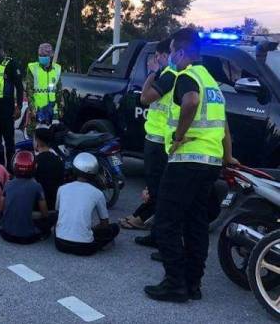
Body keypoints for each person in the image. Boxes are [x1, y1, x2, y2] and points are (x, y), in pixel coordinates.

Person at [144, 28, 237, 303]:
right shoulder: (212, 83)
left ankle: (174, 283)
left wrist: (179, 136)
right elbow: (224, 126)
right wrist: (228, 156)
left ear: (181, 52)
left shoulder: (187, 76)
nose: (171, 57)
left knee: (166, 221)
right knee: (196, 223)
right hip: (210, 161)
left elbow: (190, 102)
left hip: (187, 159)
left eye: (173, 52)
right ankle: (193, 283)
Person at [120, 39, 175, 234]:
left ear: (164, 55)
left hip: (159, 139)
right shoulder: (174, 75)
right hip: (162, 138)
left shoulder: (168, 75)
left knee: (156, 185)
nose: (157, 60)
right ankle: (145, 219)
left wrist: (152, 71)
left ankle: (143, 219)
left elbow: (144, 98)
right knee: (157, 184)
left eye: (158, 57)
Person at [55, 153, 120, 256]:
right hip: (84, 248)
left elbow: (58, 214)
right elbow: (104, 224)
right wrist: (91, 229)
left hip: (60, 243)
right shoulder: (97, 193)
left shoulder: (62, 188)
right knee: (115, 227)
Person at [0, 151, 55, 244]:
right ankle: (43, 234)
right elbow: (44, 213)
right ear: (34, 167)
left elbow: (1, 209)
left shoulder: (8, 184)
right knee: (54, 215)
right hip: (27, 237)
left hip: (6, 233)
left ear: (14, 166)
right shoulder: (37, 186)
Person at [25, 43, 64, 135]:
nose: (42, 57)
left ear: (50, 56)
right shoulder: (33, 68)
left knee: (50, 136)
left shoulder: (57, 69)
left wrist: (61, 108)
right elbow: (29, 90)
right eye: (40, 55)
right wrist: (32, 109)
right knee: (34, 135)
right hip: (38, 110)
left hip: (52, 111)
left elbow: (59, 91)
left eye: (45, 55)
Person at [33, 127, 64, 211]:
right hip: (55, 204)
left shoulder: (34, 161)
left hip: (38, 207)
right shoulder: (58, 160)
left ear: (38, 141)